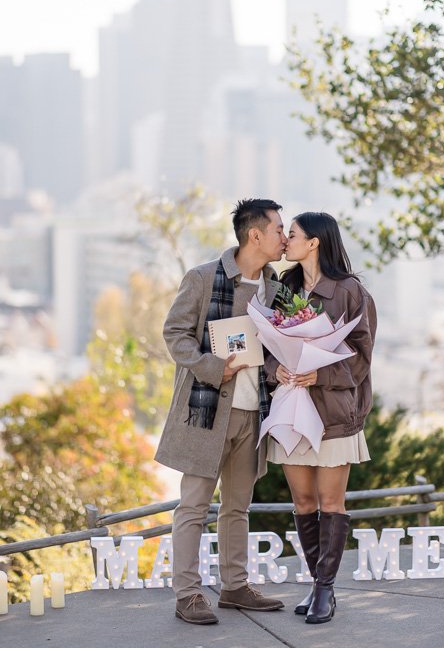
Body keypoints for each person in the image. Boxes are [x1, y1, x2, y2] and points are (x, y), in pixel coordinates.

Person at [155, 198, 288, 625]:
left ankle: (235, 586)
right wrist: (215, 367)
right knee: (193, 505)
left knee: (237, 507)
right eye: (279, 230)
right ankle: (188, 594)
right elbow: (175, 334)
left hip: (256, 412)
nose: (284, 238)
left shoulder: (278, 290)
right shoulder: (202, 278)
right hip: (206, 411)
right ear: (256, 235)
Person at [265, 212, 377, 624]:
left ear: (313, 243)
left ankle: (325, 592)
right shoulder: (284, 287)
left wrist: (321, 373)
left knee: (331, 502)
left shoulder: (351, 292)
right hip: (292, 409)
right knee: (303, 501)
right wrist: (272, 370)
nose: (285, 241)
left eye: (291, 234)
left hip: (332, 413)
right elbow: (267, 346)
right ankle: (317, 584)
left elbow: (362, 358)